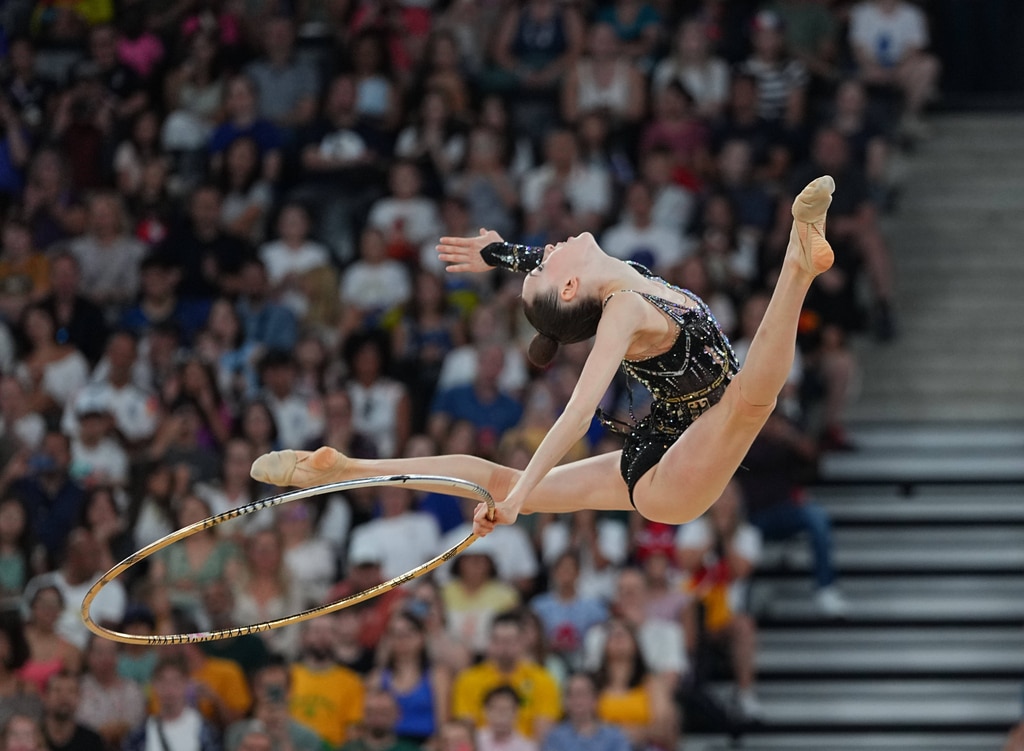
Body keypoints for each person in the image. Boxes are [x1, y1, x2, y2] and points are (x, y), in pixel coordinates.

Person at [251, 176, 837, 544]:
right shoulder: (625, 307)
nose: (543, 253)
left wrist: (498, 252)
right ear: (567, 288)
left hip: (662, 446)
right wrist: (519, 502)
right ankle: (797, 262)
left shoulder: (614, 275)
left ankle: (342, 469)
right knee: (750, 402)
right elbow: (578, 413)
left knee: (496, 477)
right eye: (541, 267)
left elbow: (548, 267)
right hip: (675, 479)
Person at [541, 673, 630, 751]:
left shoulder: (614, 737)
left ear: (595, 699)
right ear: (565, 702)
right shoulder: (555, 738)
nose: (577, 700)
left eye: (582, 694)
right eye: (571, 694)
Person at [39, 670, 104, 751]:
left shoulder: (92, 741)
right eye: (57, 690)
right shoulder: (32, 736)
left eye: (71, 691)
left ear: (79, 697)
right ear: (44, 697)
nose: (64, 697)